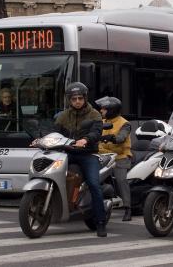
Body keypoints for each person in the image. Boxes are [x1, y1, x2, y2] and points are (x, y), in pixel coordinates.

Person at [50, 82, 106, 237]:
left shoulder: (94, 114)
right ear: (69, 100)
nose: (77, 101)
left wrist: (86, 139)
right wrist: (42, 140)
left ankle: (100, 222)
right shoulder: (63, 116)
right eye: (74, 99)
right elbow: (54, 132)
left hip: (88, 154)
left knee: (94, 185)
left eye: (80, 98)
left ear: (85, 98)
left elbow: (97, 132)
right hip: (68, 153)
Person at [96, 96, 133, 222]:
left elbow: (121, 137)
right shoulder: (101, 121)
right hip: (102, 156)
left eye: (104, 109)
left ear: (111, 110)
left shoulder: (124, 124)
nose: (101, 111)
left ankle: (128, 208)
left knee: (121, 180)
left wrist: (114, 138)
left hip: (119, 157)